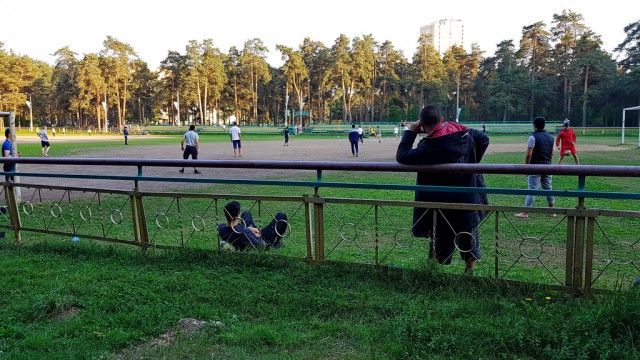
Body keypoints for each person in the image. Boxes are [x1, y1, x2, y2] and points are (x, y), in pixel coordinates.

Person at [396, 105, 489, 273]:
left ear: (422, 125)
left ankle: (434, 271)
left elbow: (402, 156)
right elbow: (483, 139)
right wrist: (471, 164)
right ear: (442, 120)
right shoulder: (464, 134)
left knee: (439, 233)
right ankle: (470, 270)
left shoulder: (427, 147)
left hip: (439, 198)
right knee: (469, 232)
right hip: (467, 194)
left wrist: (411, 132)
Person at [515, 117, 556, 219]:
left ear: (534, 126)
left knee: (532, 190)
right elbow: (551, 154)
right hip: (548, 167)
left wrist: (527, 168)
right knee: (548, 190)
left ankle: (525, 212)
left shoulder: (532, 137)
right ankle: (552, 211)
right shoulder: (551, 138)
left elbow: (529, 155)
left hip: (535, 167)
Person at [218, 201, 287, 251]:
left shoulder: (221, 227)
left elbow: (238, 229)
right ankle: (277, 243)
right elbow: (261, 245)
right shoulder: (245, 232)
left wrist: (249, 228)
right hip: (262, 238)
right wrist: (257, 235)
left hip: (246, 232)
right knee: (281, 215)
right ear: (238, 214)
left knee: (246, 213)